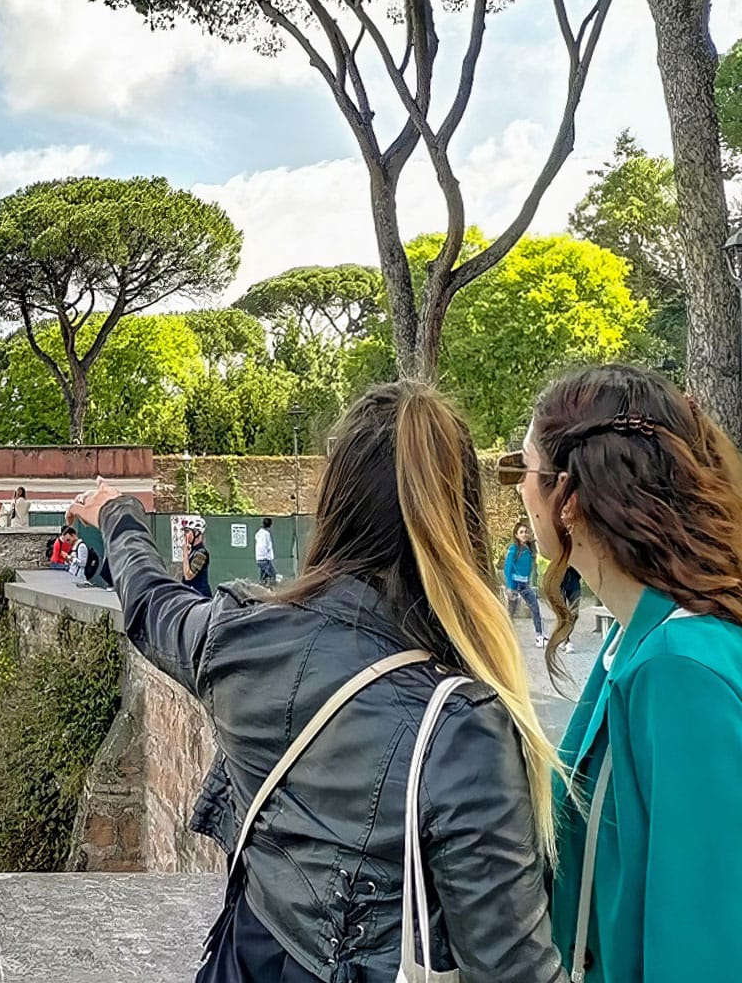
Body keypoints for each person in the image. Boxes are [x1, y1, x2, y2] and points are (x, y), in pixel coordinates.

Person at [69, 381, 565, 982]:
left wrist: (118, 515)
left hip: (245, 958)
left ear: (336, 502)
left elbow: (151, 605)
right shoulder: (464, 729)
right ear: (462, 520)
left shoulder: (238, 636)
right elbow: (512, 967)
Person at [509, 364, 742, 982]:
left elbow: (704, 950)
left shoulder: (680, 670)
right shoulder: (636, 636)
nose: (519, 491)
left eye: (524, 470)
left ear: (569, 497)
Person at [504, 522, 547, 648]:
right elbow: (508, 568)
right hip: (515, 584)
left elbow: (530, 568)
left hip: (525, 584)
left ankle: (539, 636)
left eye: (526, 532)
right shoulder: (514, 549)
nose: (524, 534)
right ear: (516, 535)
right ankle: (506, 638)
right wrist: (510, 587)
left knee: (535, 609)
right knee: (511, 613)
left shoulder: (529, 549)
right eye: (521, 532)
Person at [181, 516, 209, 596]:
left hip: (200, 596)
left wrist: (185, 554)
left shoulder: (201, 553)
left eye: (188, 532)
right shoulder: (194, 551)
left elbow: (188, 576)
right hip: (192, 594)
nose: (185, 535)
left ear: (196, 533)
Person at [254, 517, 276, 585]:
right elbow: (263, 546)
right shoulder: (265, 534)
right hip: (264, 558)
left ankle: (262, 587)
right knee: (272, 575)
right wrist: (267, 556)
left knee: (264, 577)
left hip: (260, 558)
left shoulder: (259, 533)